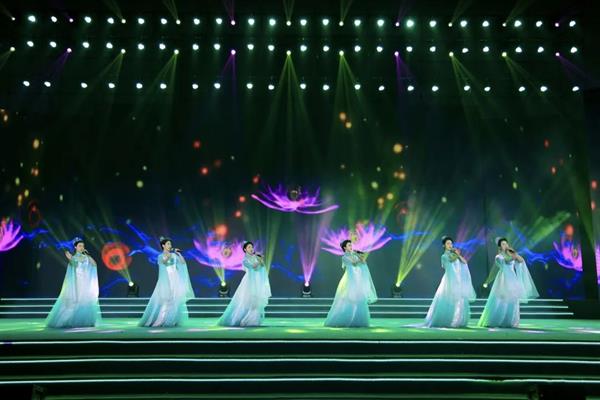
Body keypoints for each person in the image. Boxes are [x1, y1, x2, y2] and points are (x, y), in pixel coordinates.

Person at [478, 237, 539, 328]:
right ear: (499, 247)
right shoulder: (498, 257)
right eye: (503, 244)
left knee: (513, 300)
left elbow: (521, 260)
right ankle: (496, 321)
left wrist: (515, 254)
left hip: (512, 279)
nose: (505, 245)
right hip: (502, 280)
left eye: (506, 244)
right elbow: (507, 260)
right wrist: (513, 256)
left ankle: (510, 321)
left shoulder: (511, 254)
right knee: (500, 301)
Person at [46, 237, 102, 328]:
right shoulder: (74, 258)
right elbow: (74, 265)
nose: (82, 247)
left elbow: (94, 264)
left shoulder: (86, 257)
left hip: (85, 283)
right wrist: (70, 259)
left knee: (85, 301)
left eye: (83, 246)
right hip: (77, 283)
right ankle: (68, 321)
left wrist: (87, 255)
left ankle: (85, 321)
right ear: (75, 247)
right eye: (80, 246)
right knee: (75, 301)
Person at [138, 237, 194, 327]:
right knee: (165, 299)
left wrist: (179, 254)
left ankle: (173, 319)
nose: (170, 246)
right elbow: (163, 263)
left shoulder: (174, 255)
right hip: (166, 280)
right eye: (168, 244)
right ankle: (162, 319)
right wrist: (168, 256)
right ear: (163, 245)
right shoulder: (160, 256)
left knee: (175, 300)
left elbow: (183, 263)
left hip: (175, 279)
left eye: (170, 244)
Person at [424, 236, 476, 328]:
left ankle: (458, 320)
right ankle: (447, 320)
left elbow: (464, 262)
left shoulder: (455, 255)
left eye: (451, 243)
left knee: (459, 301)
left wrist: (458, 255)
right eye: (448, 243)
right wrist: (457, 254)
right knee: (449, 300)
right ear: (444, 245)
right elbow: (451, 260)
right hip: (450, 280)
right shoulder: (444, 256)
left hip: (458, 281)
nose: (450, 245)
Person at [324, 239, 377, 327]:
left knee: (359, 299)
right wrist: (356, 255)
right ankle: (344, 320)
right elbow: (354, 264)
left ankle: (358, 321)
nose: (351, 247)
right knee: (348, 298)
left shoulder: (354, 255)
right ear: (345, 247)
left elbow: (363, 262)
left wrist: (358, 255)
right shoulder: (344, 257)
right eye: (349, 245)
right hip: (350, 280)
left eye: (351, 245)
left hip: (357, 279)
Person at [217, 241, 271, 326]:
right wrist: (259, 261)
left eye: (252, 247)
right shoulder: (245, 260)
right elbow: (252, 267)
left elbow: (260, 268)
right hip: (249, 282)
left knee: (256, 301)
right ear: (245, 249)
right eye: (249, 247)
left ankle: (254, 320)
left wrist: (261, 261)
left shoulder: (256, 257)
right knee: (247, 300)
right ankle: (243, 319)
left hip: (256, 281)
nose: (251, 248)